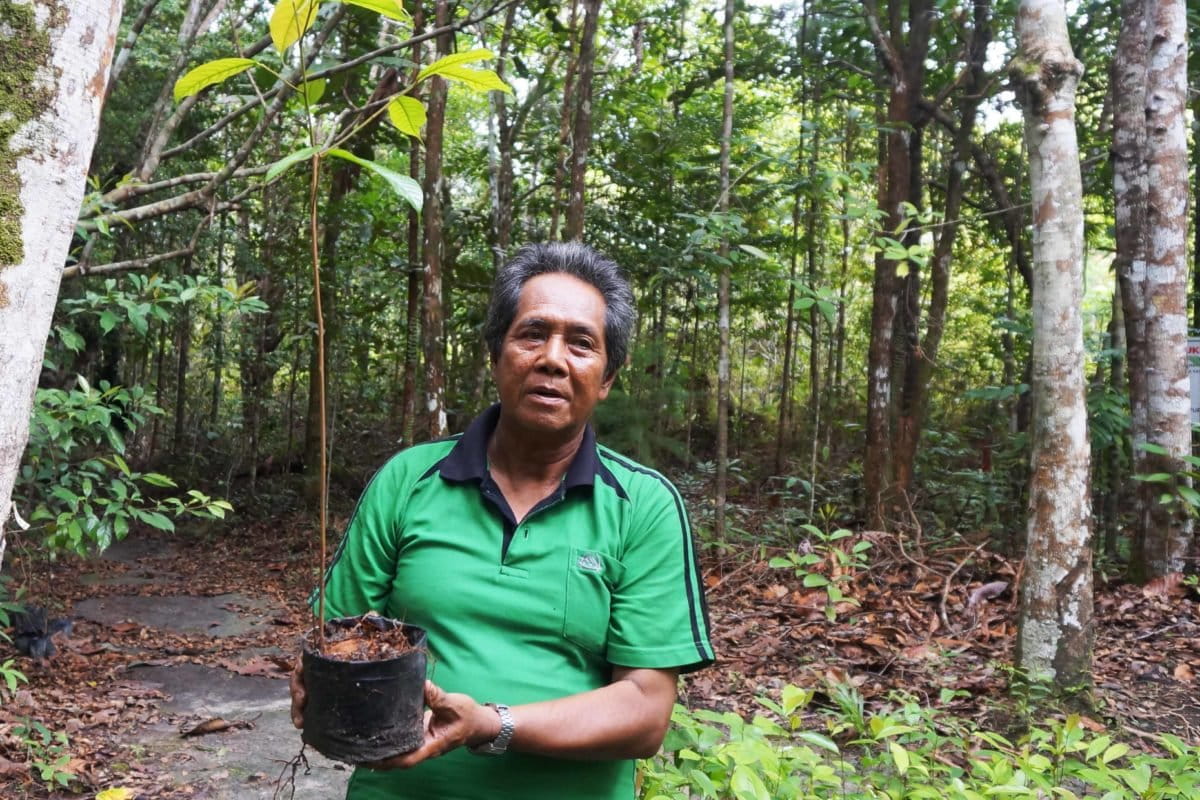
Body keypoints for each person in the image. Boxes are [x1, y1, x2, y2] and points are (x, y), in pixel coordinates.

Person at [290, 241, 715, 800]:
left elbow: (644, 712)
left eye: (582, 343)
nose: (553, 359)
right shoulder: (408, 480)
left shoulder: (644, 505)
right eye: (532, 334)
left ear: (608, 377)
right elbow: (339, 636)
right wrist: (317, 684)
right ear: (496, 353)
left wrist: (491, 724)